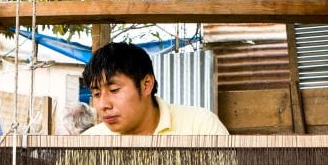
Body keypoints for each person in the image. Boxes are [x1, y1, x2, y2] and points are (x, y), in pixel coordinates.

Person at [81, 42, 228, 135]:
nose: (103, 105)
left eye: (114, 90)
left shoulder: (201, 127)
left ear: (146, 84)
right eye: (96, 93)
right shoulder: (89, 143)